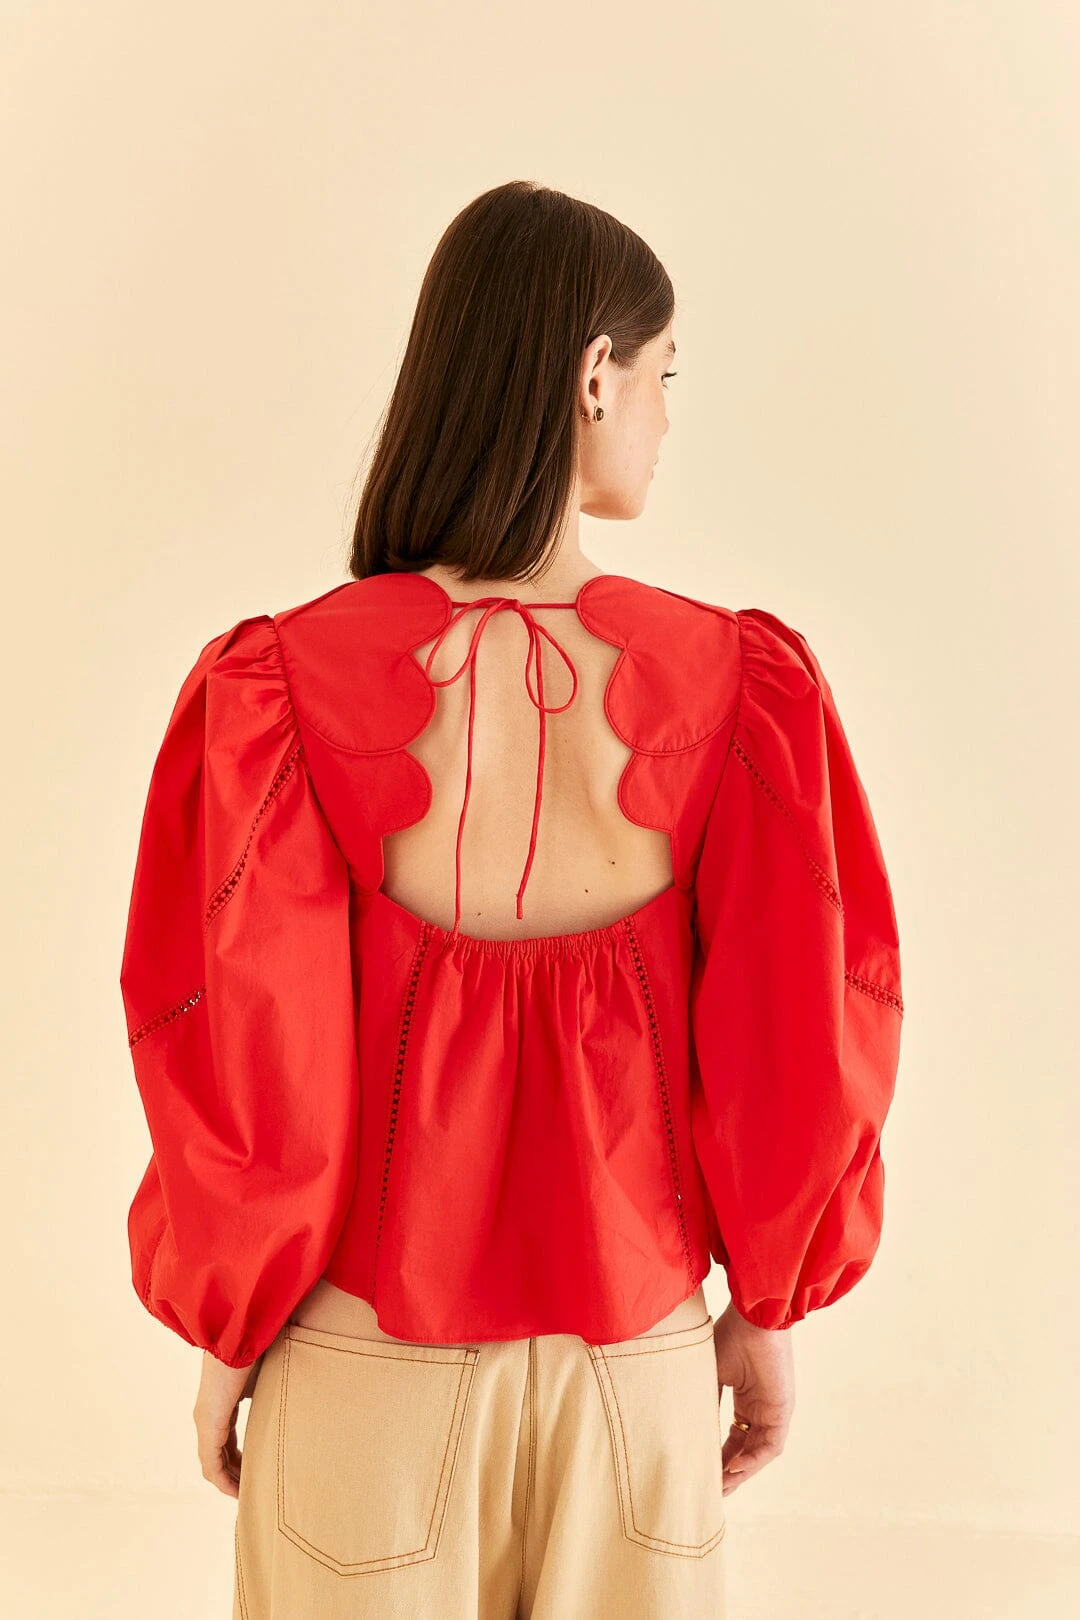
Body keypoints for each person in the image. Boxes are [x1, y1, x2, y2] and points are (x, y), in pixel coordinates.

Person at [119, 180, 904, 1619]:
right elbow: (800, 1039)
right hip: (636, 1366)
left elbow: (249, 1058)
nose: (664, 417)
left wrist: (231, 1334)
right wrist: (765, 1311)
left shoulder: (278, 686)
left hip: (359, 1360)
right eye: (664, 377)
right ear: (595, 374)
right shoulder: (743, 689)